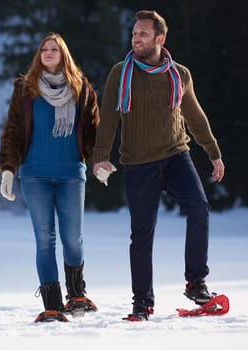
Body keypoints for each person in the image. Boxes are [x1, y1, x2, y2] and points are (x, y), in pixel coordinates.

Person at [92, 10, 225, 321]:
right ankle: (142, 301)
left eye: (143, 34)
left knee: (199, 207)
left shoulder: (179, 74)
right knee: (142, 234)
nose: (135, 38)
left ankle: (196, 282)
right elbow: (109, 119)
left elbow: (194, 116)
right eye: (134, 33)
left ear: (159, 39)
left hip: (176, 155)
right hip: (138, 164)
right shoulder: (120, 73)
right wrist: (100, 156)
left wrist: (213, 152)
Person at [0, 33, 100, 322]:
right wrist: (8, 169)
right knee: (45, 240)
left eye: (55, 49)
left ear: (63, 54)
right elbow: (13, 132)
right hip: (35, 176)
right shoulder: (25, 90)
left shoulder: (81, 89)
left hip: (70, 174)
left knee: (73, 239)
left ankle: (77, 295)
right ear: (39, 55)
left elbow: (92, 132)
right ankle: (52, 305)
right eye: (45, 49)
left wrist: (97, 162)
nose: (49, 52)